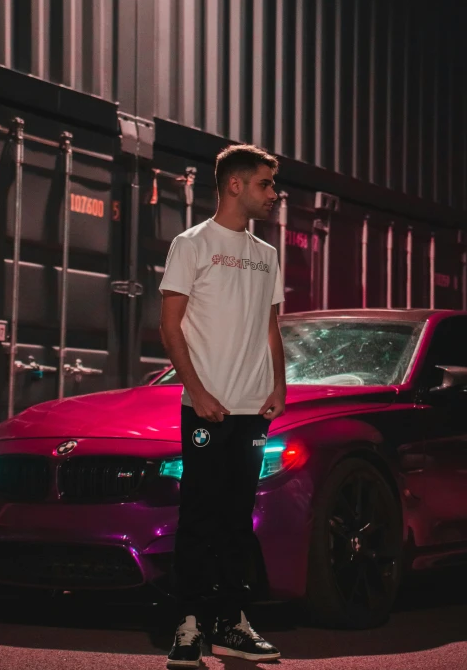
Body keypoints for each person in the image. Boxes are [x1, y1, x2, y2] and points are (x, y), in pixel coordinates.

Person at [159, 145, 286, 668]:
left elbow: (271, 327)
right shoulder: (192, 244)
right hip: (207, 409)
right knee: (200, 516)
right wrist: (199, 391)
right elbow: (170, 326)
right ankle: (188, 624)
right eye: (265, 184)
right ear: (235, 185)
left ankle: (231, 622)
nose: (273, 194)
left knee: (239, 517)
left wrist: (280, 387)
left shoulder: (268, 255)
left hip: (254, 410)